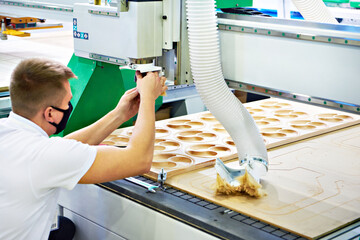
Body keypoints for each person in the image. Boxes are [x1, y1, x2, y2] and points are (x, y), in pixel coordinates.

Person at [0, 58, 167, 240]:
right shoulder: (44, 156)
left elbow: (61, 149)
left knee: (64, 227)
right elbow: (138, 160)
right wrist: (149, 99)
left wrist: (121, 114)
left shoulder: (9, 132)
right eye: (67, 102)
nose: (69, 106)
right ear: (50, 113)